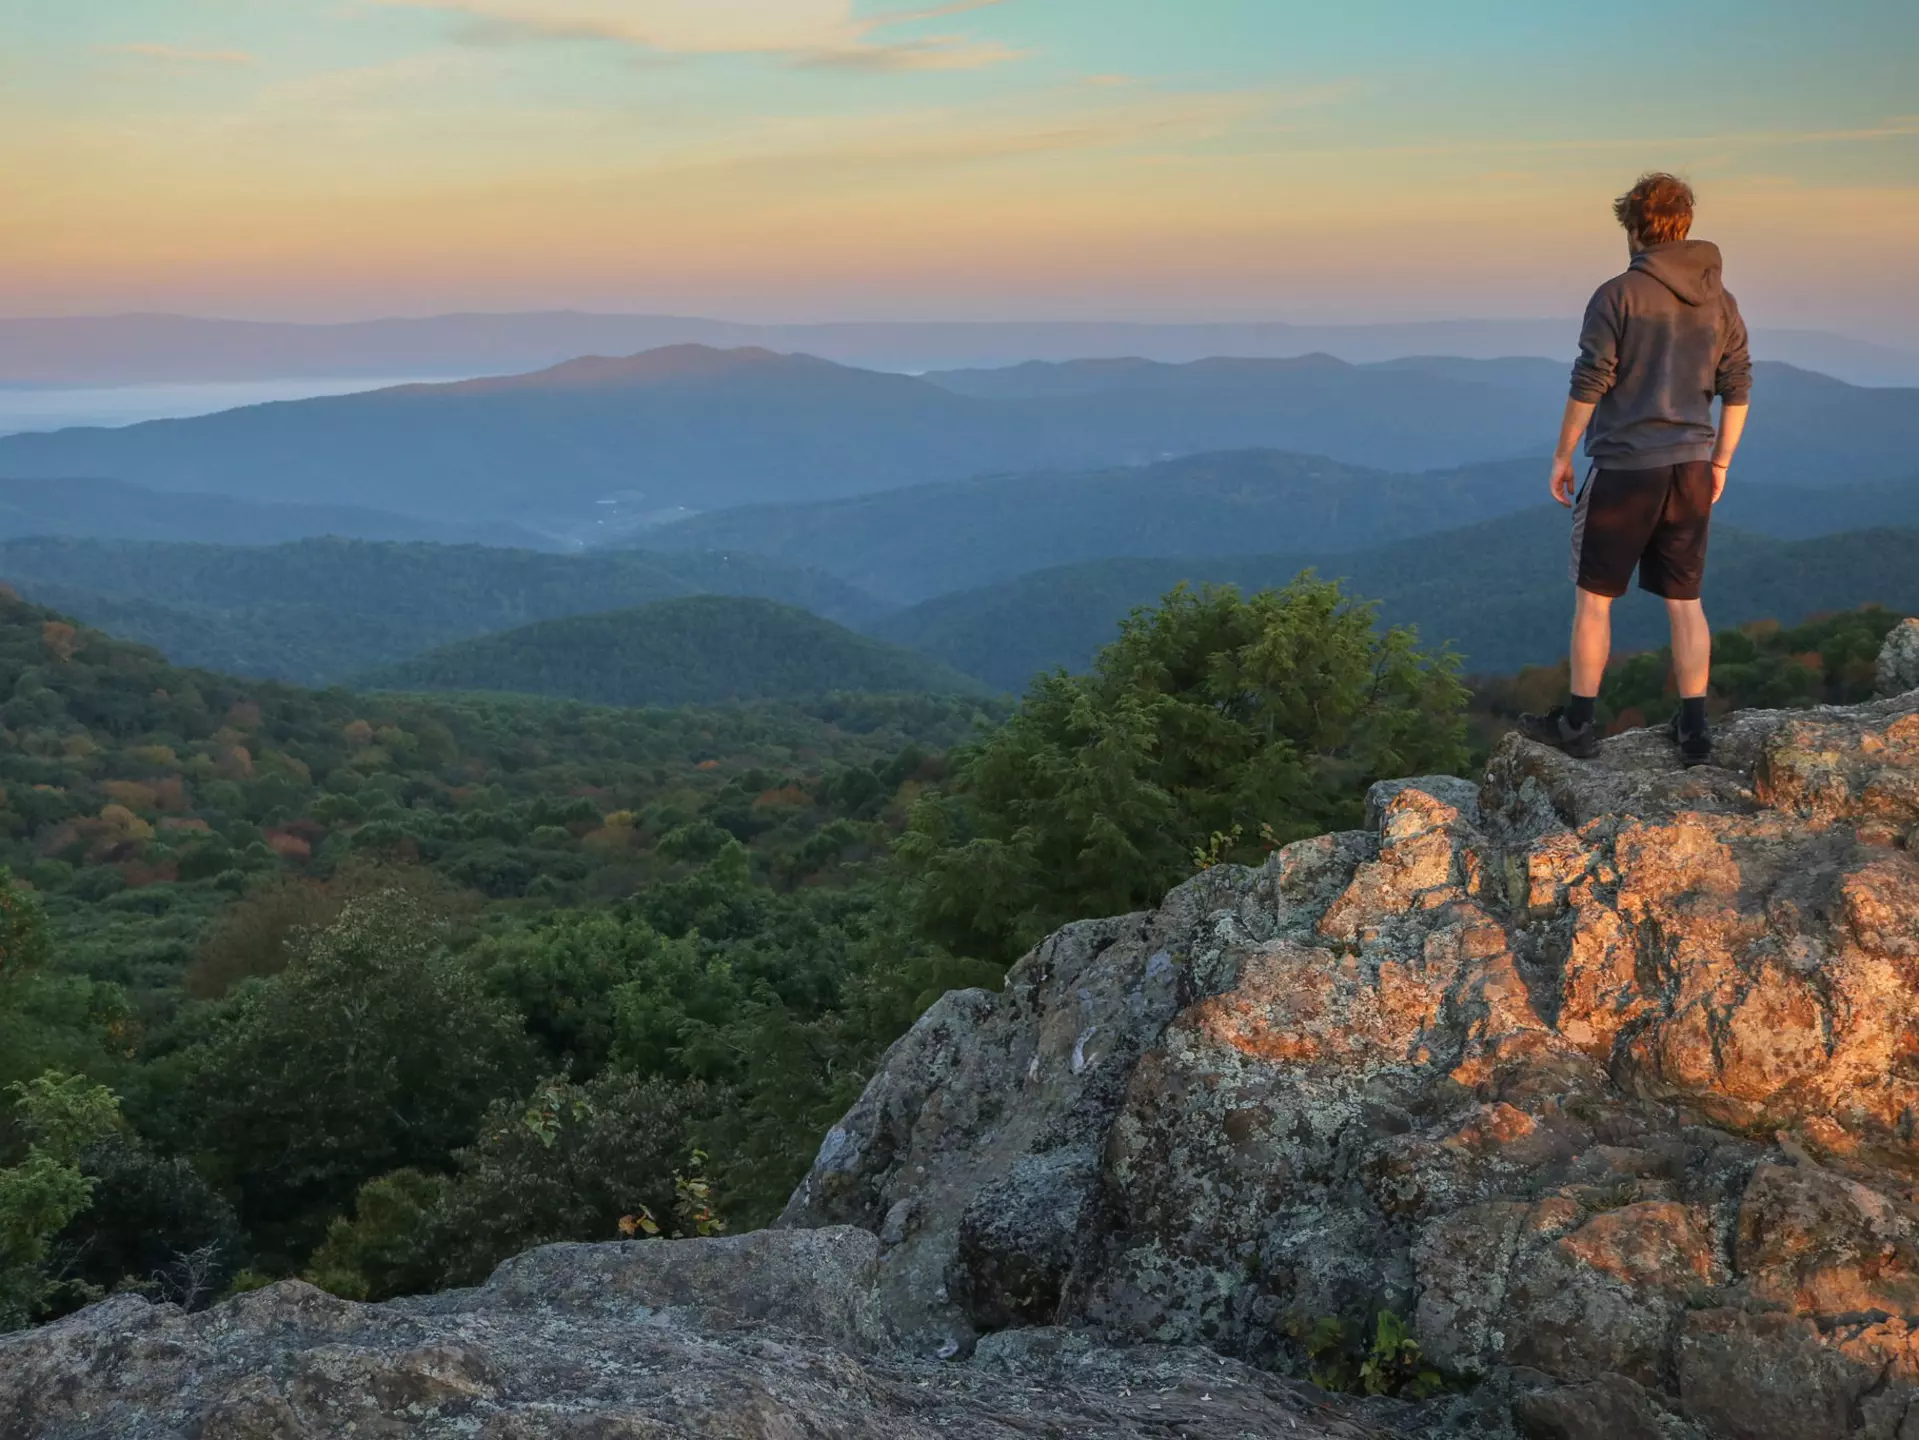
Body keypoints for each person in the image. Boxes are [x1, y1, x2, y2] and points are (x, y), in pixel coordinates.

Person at [1519, 172, 1752, 765]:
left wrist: (1564, 453)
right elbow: (1738, 385)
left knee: (1595, 600)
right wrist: (1720, 459)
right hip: (1693, 466)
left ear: (1634, 225)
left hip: (1625, 469)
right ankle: (1694, 730)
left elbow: (1590, 380)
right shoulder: (1721, 301)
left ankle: (1578, 724)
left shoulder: (1618, 294)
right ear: (1685, 223)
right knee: (1686, 601)